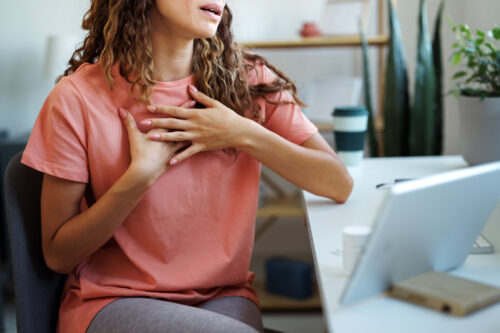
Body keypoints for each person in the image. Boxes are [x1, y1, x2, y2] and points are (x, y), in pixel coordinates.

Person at [22, 0, 353, 332]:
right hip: (114, 300)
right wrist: (138, 178)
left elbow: (337, 183)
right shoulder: (77, 98)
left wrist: (242, 132)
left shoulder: (249, 80)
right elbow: (58, 254)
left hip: (224, 295)